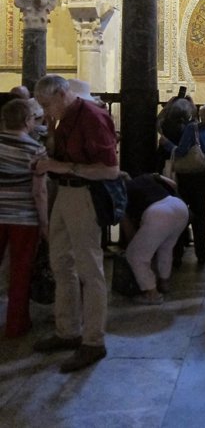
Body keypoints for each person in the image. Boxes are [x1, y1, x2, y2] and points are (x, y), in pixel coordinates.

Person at [32, 75, 119, 373]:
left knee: (89, 270)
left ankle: (94, 341)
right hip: (65, 193)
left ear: (62, 94)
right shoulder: (63, 117)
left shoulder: (92, 117)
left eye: (46, 104)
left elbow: (110, 170)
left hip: (83, 196)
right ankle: (67, 330)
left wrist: (59, 166)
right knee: (61, 264)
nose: (45, 111)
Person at [0, 99, 48, 338]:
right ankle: (16, 324)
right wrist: (44, 221)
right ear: (28, 121)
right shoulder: (35, 149)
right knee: (20, 271)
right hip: (24, 217)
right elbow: (39, 191)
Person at [122, 174, 190, 305]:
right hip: (179, 206)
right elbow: (173, 184)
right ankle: (164, 283)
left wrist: (135, 244)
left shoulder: (121, 195)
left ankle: (152, 293)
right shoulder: (146, 177)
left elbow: (129, 231)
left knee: (135, 255)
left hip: (158, 213)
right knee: (166, 247)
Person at [173, 101, 205, 264]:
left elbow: (181, 151)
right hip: (201, 176)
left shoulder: (191, 128)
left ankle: (177, 253)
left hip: (185, 176)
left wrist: (168, 146)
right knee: (200, 213)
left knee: (180, 212)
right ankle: (201, 254)